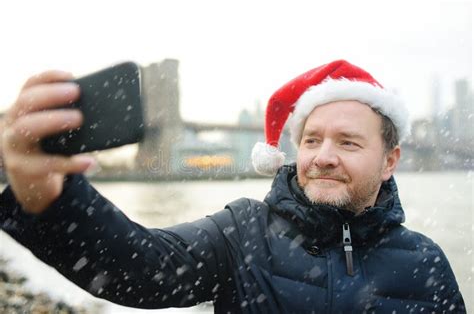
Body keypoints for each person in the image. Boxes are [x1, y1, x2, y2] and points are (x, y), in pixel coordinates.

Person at [0, 60, 466, 313]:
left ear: (390, 161)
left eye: (347, 142)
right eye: (311, 139)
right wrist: (50, 198)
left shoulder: (427, 263)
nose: (323, 156)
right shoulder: (242, 232)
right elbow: (140, 270)